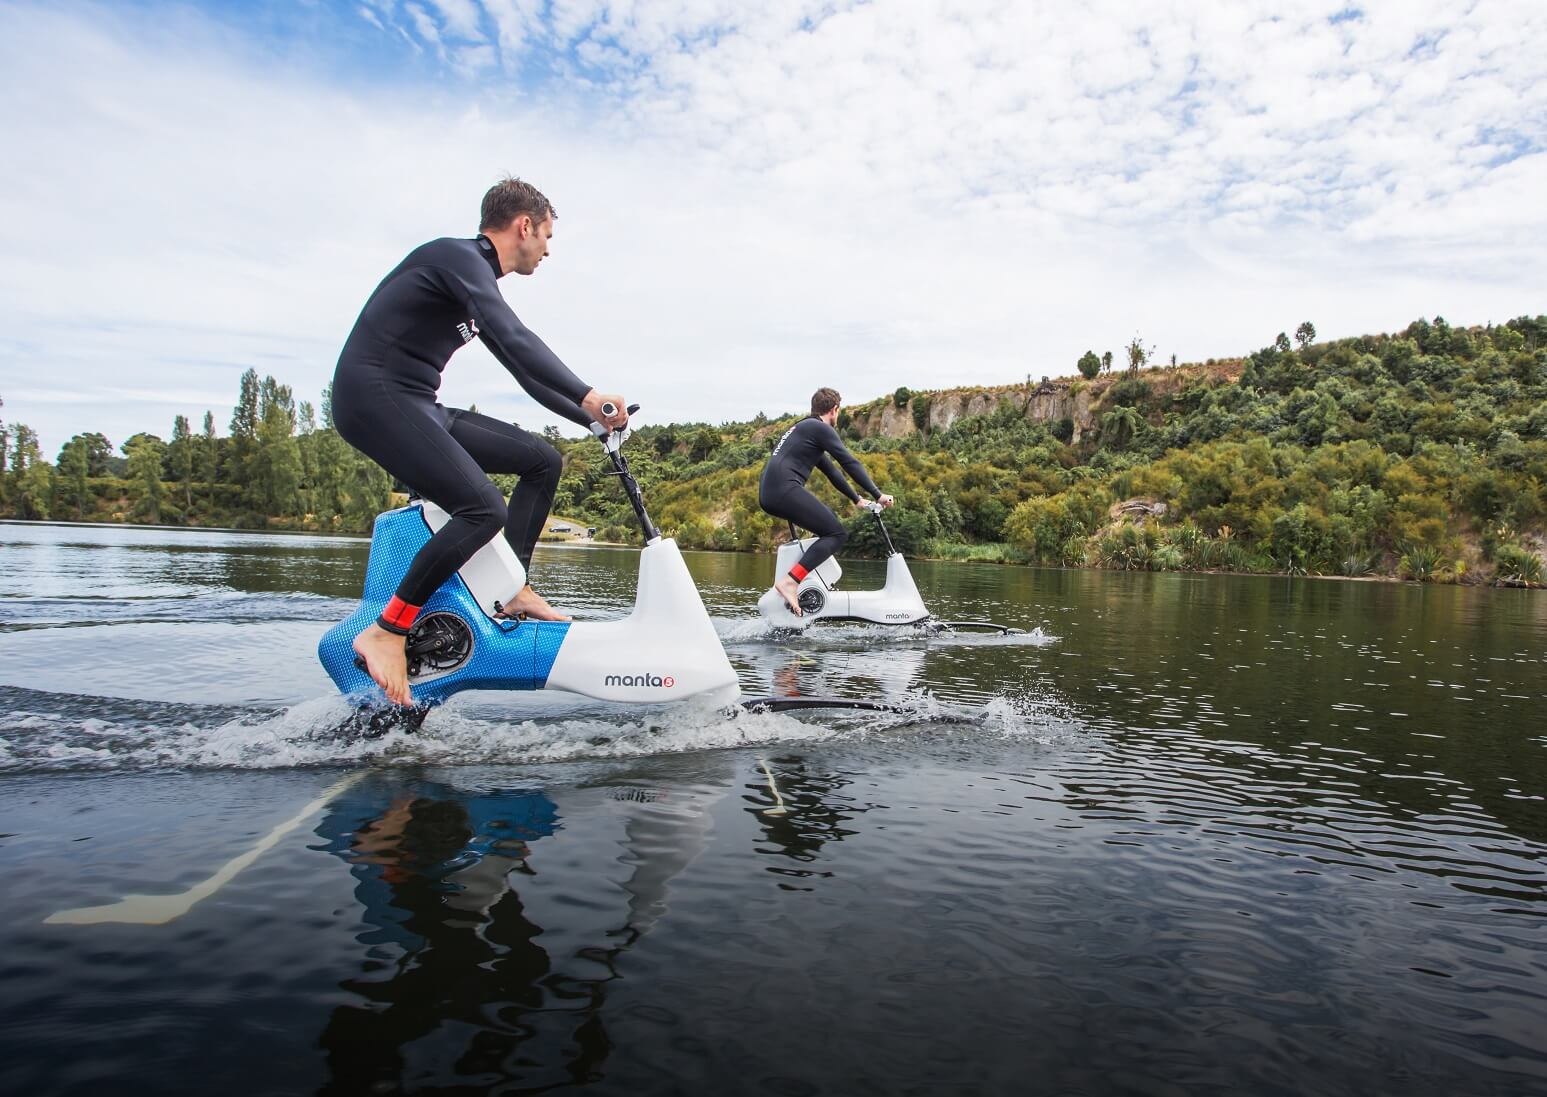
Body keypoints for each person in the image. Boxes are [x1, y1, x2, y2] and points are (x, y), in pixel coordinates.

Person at [332, 176, 627, 706]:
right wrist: (590, 396)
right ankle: (388, 630)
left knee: (541, 460)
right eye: (548, 236)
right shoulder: (456, 258)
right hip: (373, 396)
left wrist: (590, 421)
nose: (548, 249)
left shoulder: (473, 284)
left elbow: (524, 372)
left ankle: (510, 589)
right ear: (524, 225)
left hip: (417, 402)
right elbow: (517, 338)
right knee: (483, 509)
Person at [759, 387, 894, 615]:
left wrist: (856, 499)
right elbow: (849, 462)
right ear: (834, 410)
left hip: (770, 493)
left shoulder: (805, 429)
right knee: (836, 533)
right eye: (838, 412)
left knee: (828, 529)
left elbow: (832, 472)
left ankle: (799, 593)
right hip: (783, 489)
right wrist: (877, 494)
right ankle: (790, 582)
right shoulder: (819, 428)